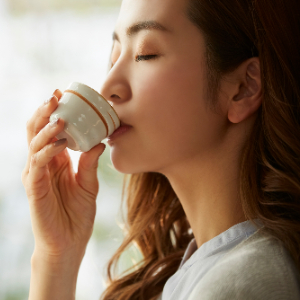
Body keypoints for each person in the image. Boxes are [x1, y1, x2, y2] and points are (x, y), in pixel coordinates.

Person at [22, 0, 300, 299]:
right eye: (115, 56)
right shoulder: (208, 267)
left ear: (244, 87)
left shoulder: (238, 283)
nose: (108, 88)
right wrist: (57, 254)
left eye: (145, 54)